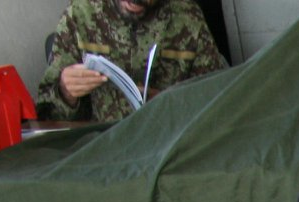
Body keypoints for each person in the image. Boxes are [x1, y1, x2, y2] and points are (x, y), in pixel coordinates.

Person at [35, 0, 226, 124]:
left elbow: (219, 100)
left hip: (169, 145)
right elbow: (45, 118)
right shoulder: (80, 14)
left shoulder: (187, 17)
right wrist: (66, 93)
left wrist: (170, 102)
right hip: (102, 149)